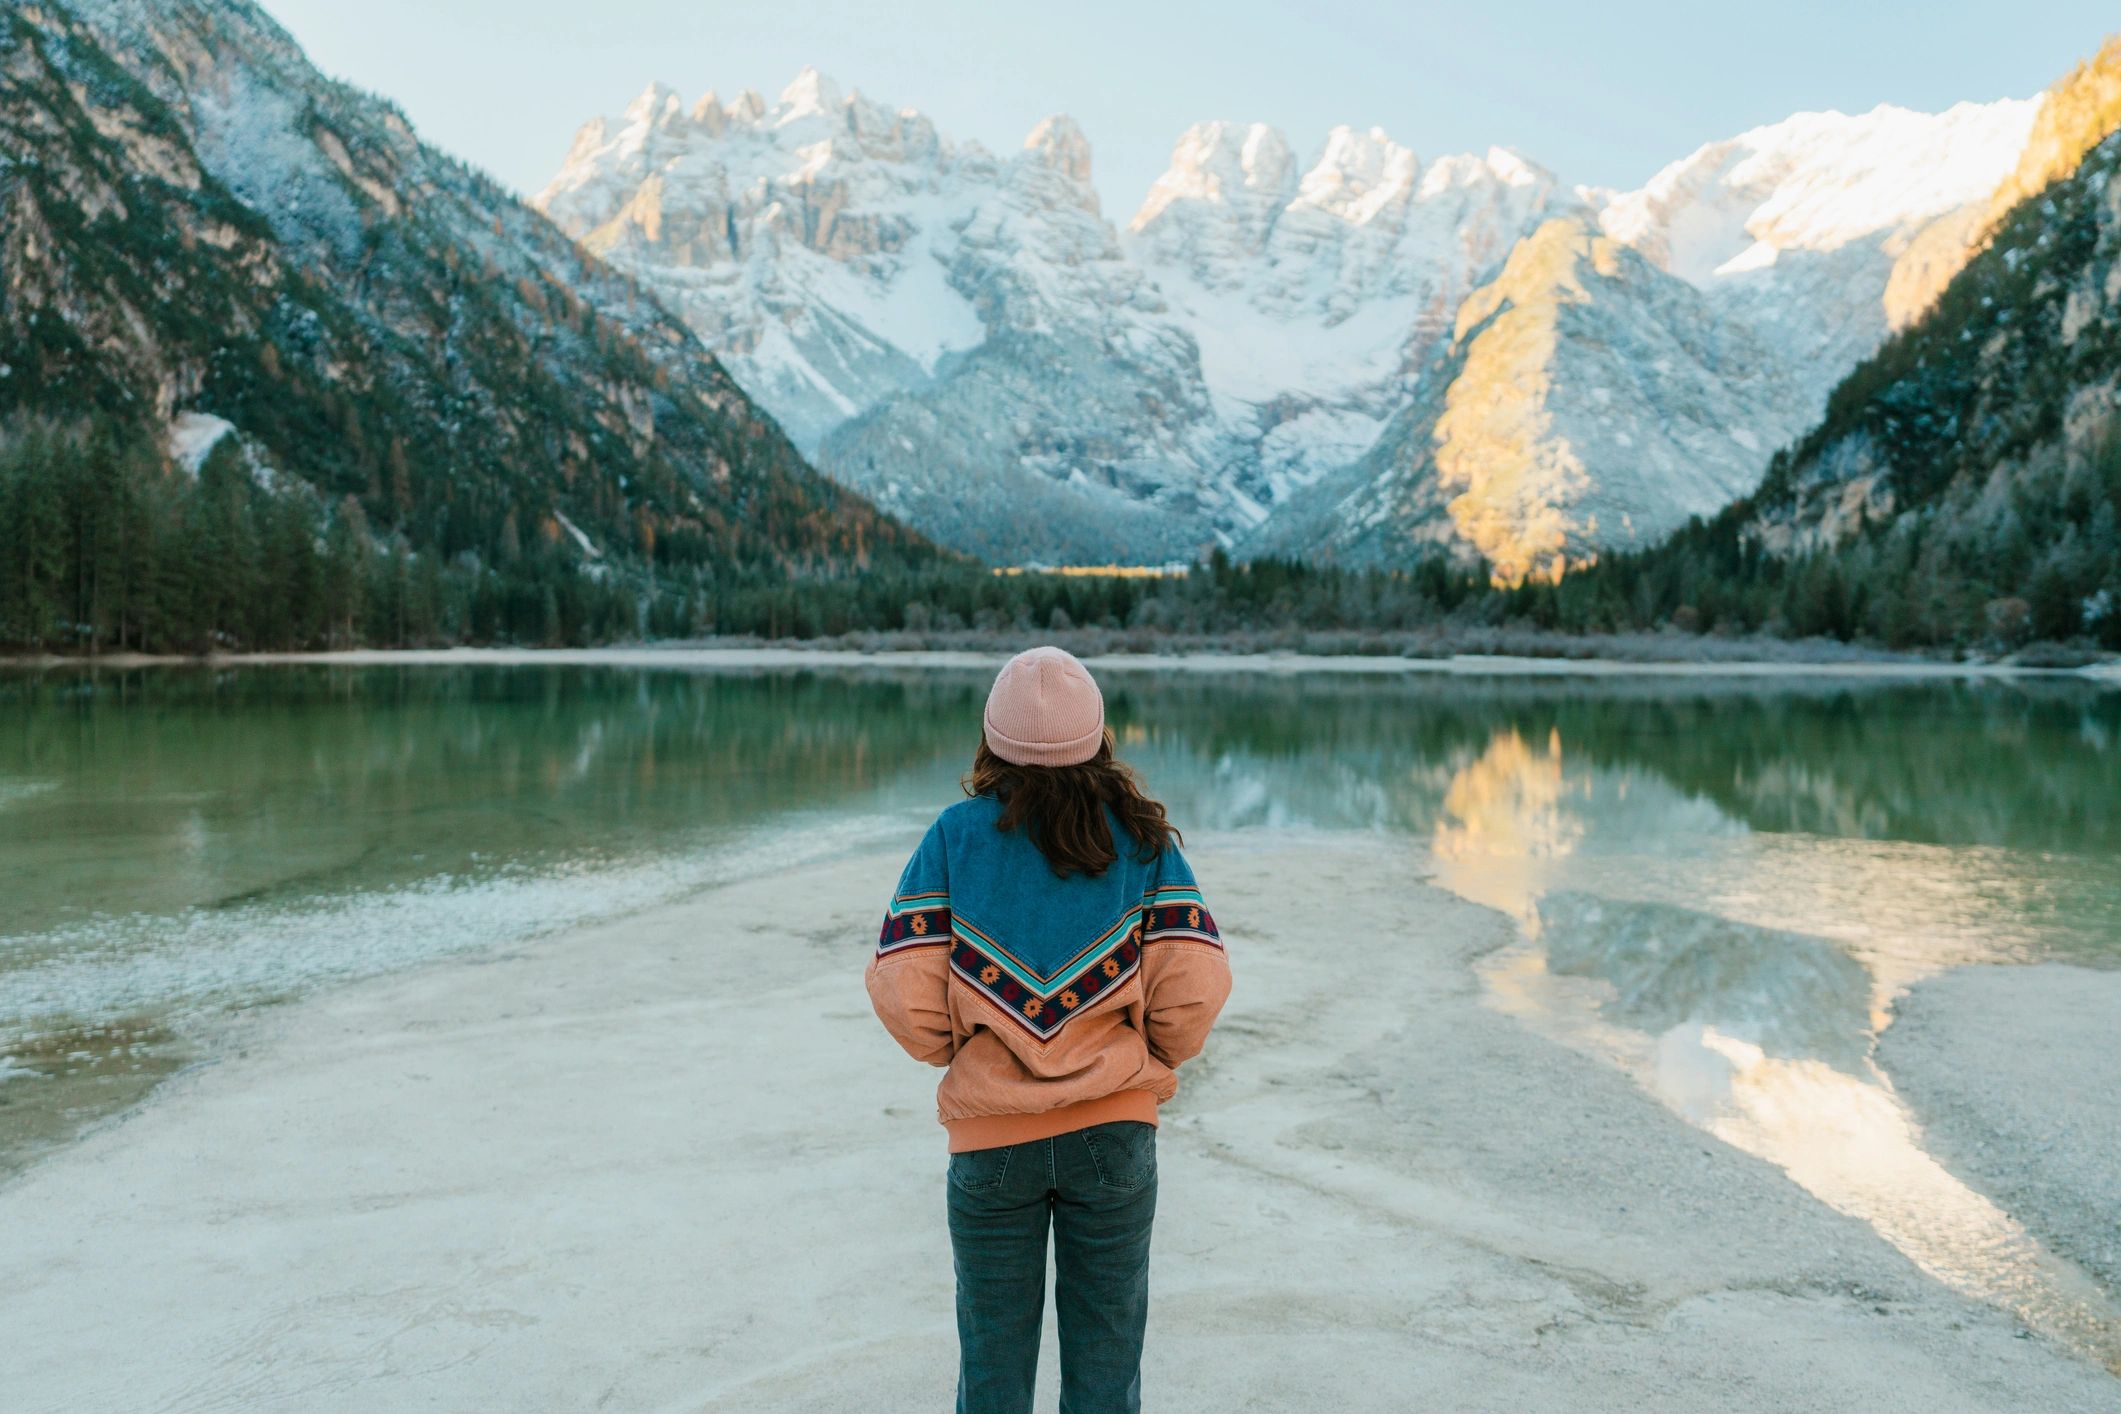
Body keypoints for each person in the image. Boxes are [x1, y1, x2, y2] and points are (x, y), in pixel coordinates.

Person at [867, 645, 1233, 1414]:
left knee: (992, 1373)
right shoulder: (1143, 844)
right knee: (1106, 1372)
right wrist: (1142, 1054)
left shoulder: (954, 838)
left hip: (991, 1141)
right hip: (1115, 1135)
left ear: (992, 740)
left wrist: (963, 1051)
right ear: (1098, 738)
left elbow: (902, 987)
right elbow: (1194, 988)